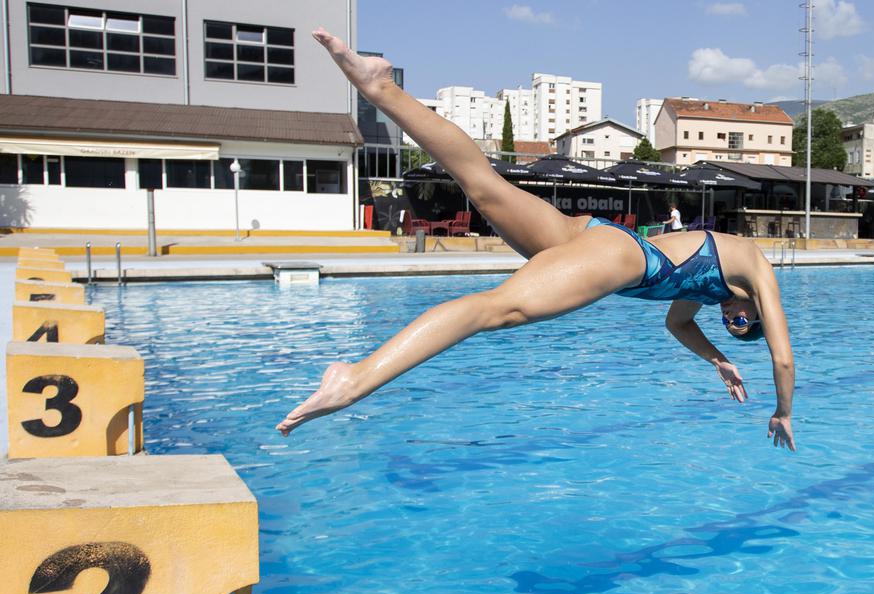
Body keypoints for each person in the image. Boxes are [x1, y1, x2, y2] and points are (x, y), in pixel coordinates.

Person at [277, 29, 795, 450]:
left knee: (482, 186)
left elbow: (676, 324)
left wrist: (718, 359)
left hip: (589, 238)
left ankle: (379, 86)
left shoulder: (706, 293)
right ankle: (355, 380)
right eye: (742, 322)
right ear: (756, 312)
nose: (732, 320)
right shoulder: (752, 264)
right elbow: (784, 357)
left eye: (732, 327)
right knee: (496, 310)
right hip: (617, 256)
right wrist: (783, 410)